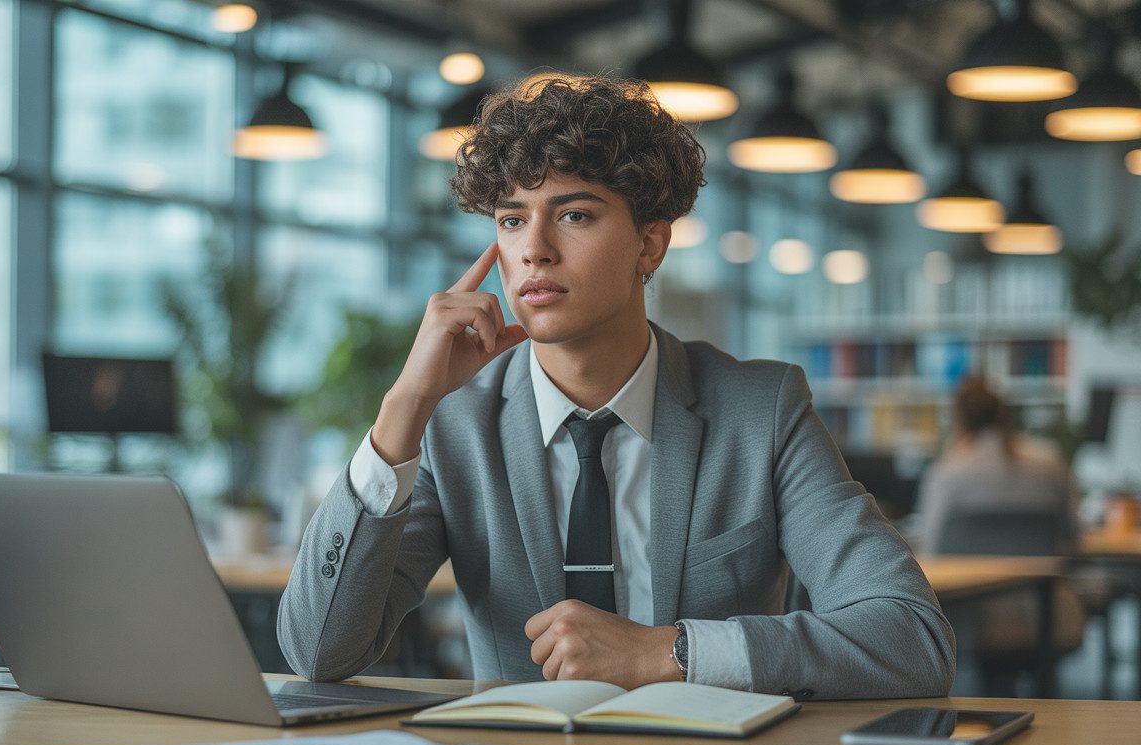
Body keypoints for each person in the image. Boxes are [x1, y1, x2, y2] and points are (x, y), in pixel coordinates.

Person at [278, 75, 955, 699]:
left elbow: (911, 639)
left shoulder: (761, 411)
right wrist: (404, 408)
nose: (534, 248)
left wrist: (671, 653)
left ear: (649, 246)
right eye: (513, 219)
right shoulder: (453, 425)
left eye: (574, 215)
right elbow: (318, 652)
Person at [917, 376, 1084, 695]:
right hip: (1047, 614)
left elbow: (931, 551)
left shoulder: (949, 472)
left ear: (959, 420)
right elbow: (1073, 536)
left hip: (972, 621)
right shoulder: (1049, 462)